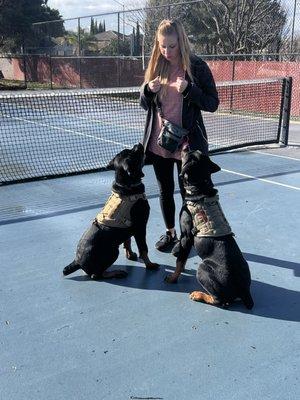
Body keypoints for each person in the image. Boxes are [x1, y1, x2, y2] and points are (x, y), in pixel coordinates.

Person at [139, 19, 219, 254]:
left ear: (181, 42)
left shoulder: (196, 66)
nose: (167, 52)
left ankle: (188, 235)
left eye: (172, 46)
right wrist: (147, 91)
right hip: (159, 141)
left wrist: (190, 90)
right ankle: (170, 233)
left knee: (188, 192)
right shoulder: (156, 65)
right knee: (165, 190)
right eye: (162, 46)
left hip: (187, 144)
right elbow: (144, 104)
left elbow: (213, 103)